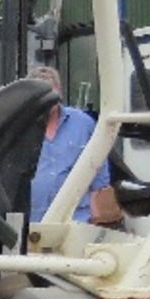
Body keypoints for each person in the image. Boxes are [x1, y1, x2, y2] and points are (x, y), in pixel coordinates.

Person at [28, 65, 113, 223]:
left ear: (59, 90)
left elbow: (99, 172)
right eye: (40, 94)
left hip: (78, 220)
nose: (47, 99)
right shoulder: (20, 130)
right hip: (34, 224)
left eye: (50, 92)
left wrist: (99, 216)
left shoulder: (84, 124)